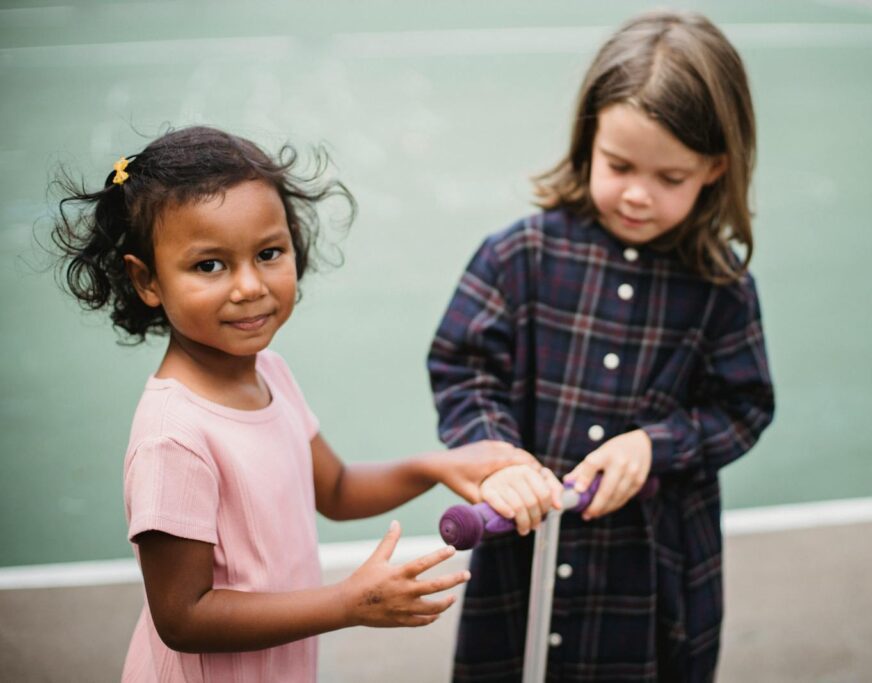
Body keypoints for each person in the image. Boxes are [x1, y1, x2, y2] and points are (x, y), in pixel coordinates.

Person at [50, 126, 535, 682]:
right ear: (147, 279)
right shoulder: (173, 435)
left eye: (268, 253)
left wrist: (437, 466)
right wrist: (348, 603)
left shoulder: (271, 375)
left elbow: (334, 489)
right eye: (210, 265)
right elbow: (183, 617)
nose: (250, 286)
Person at [428, 11, 775, 682]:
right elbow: (464, 367)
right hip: (522, 563)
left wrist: (655, 444)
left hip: (651, 577)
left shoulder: (721, 286)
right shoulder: (519, 255)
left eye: (670, 178)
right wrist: (496, 458)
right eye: (618, 165)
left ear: (715, 168)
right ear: (589, 140)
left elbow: (744, 405)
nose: (638, 195)